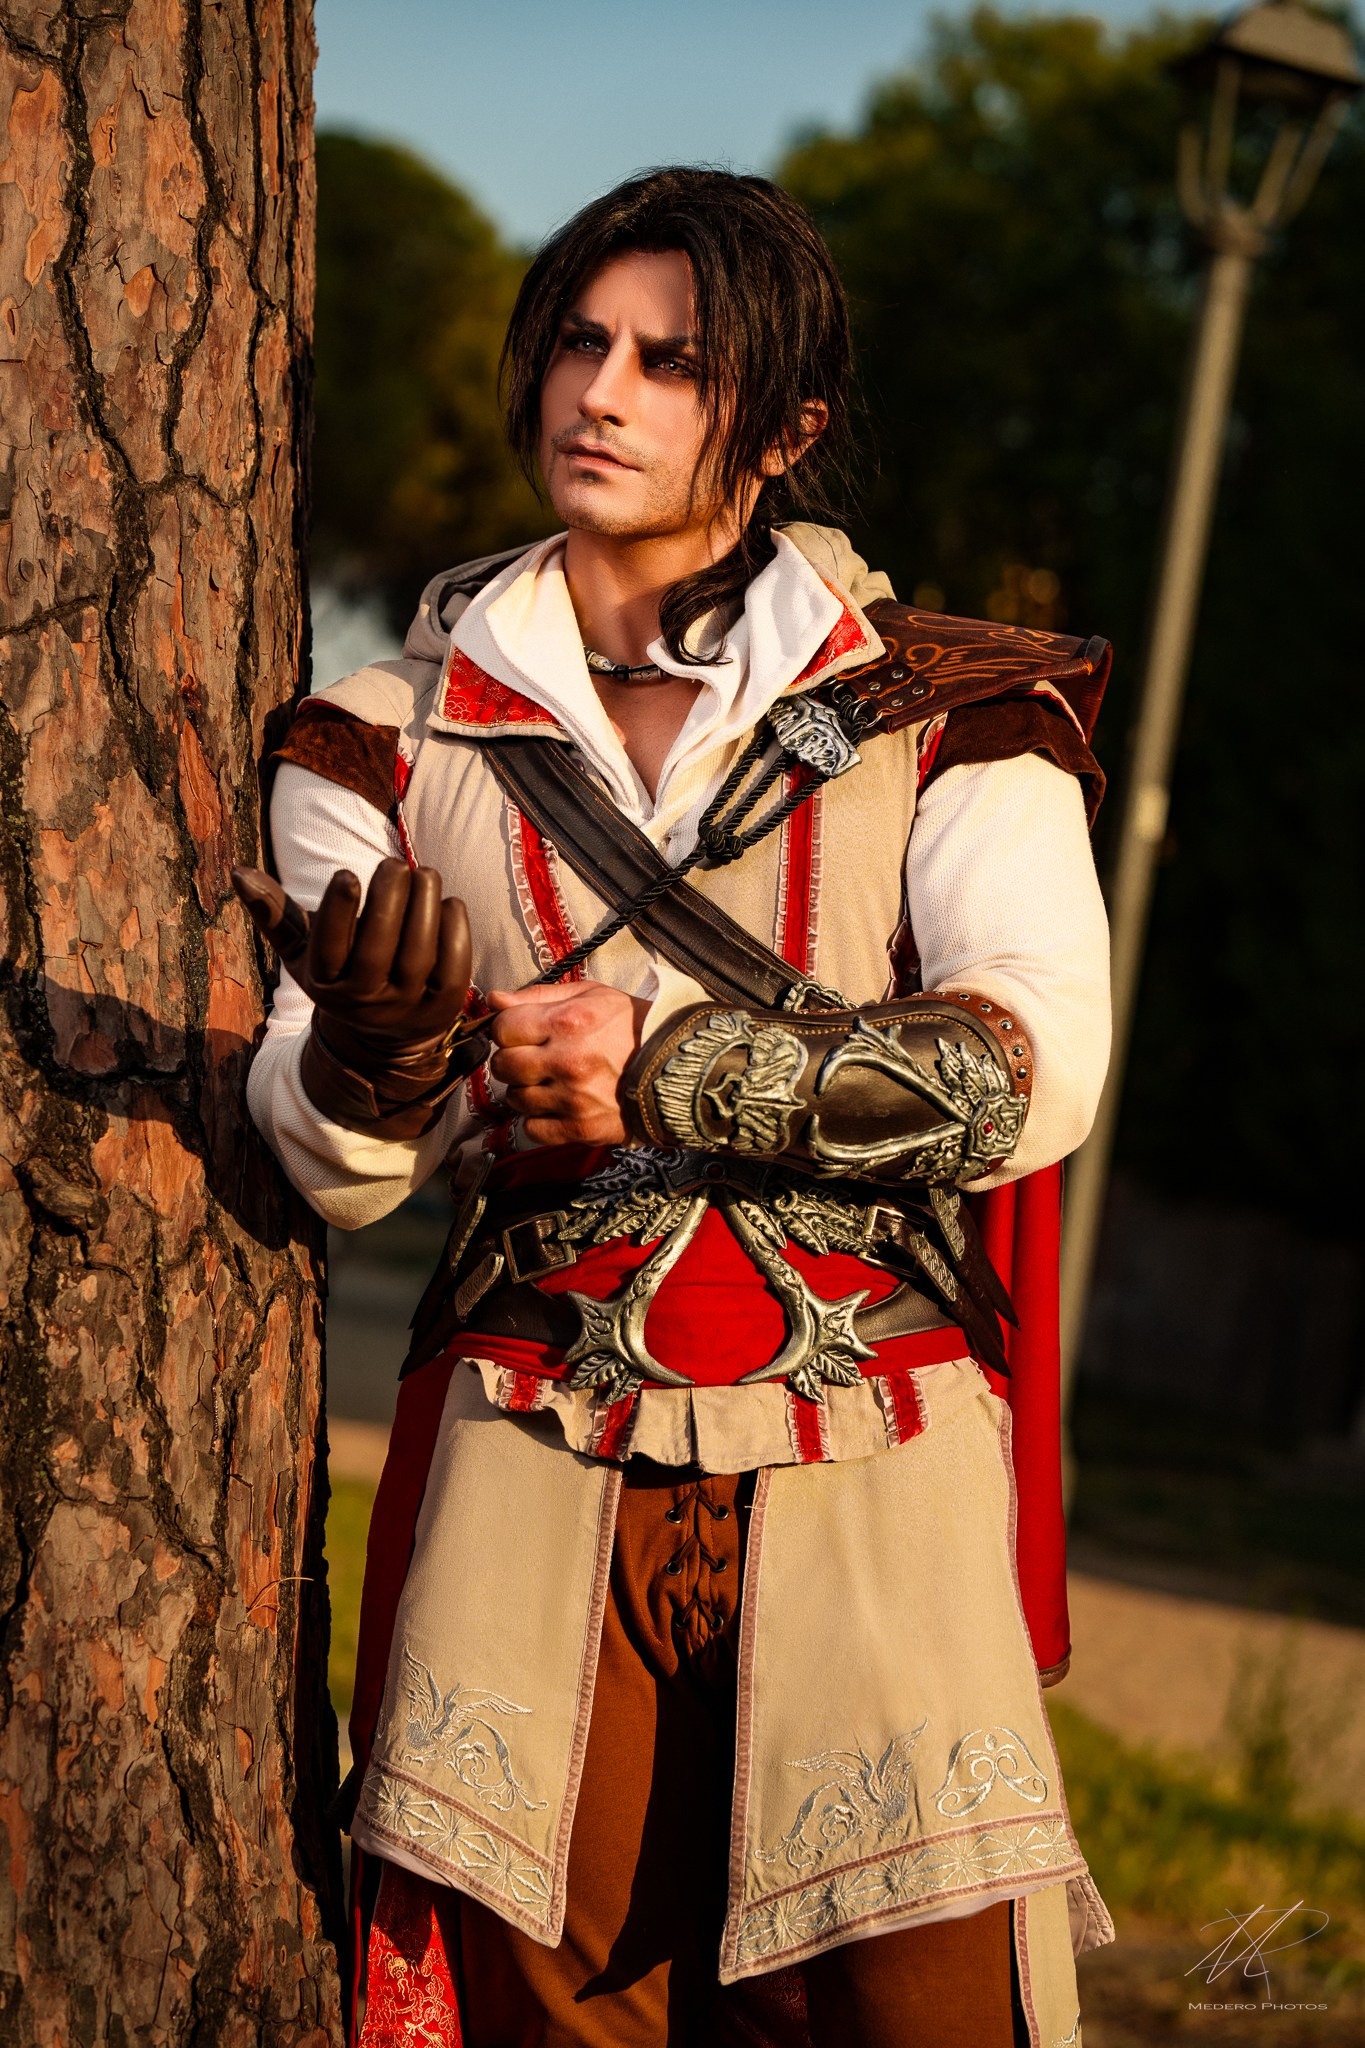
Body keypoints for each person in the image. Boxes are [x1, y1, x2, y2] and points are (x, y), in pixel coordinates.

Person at [237, 168, 1115, 2048]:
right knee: (544, 2017)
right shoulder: (374, 735)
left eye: (673, 363)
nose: (601, 392)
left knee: (923, 2017)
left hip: (875, 1459)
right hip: (527, 1462)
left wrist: (664, 1063)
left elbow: (1033, 1067)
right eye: (579, 340)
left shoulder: (954, 709)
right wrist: (369, 1061)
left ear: (786, 428)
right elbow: (336, 1172)